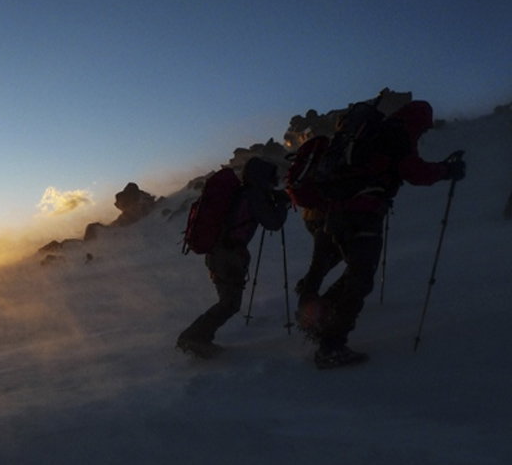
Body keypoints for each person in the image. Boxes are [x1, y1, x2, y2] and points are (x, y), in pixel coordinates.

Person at [294, 100, 466, 369]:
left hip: (337, 214)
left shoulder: (371, 134)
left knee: (354, 274)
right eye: (423, 129)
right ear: (418, 121)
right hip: (362, 214)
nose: (422, 134)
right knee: (360, 279)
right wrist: (446, 171)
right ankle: (331, 346)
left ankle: (319, 321)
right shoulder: (398, 133)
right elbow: (414, 172)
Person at [177, 157, 289, 358]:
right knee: (229, 303)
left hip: (218, 253)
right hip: (228, 256)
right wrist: (282, 205)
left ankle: (200, 338)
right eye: (272, 178)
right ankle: (193, 337)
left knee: (228, 301)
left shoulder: (241, 192)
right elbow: (273, 222)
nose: (274, 182)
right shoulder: (253, 195)